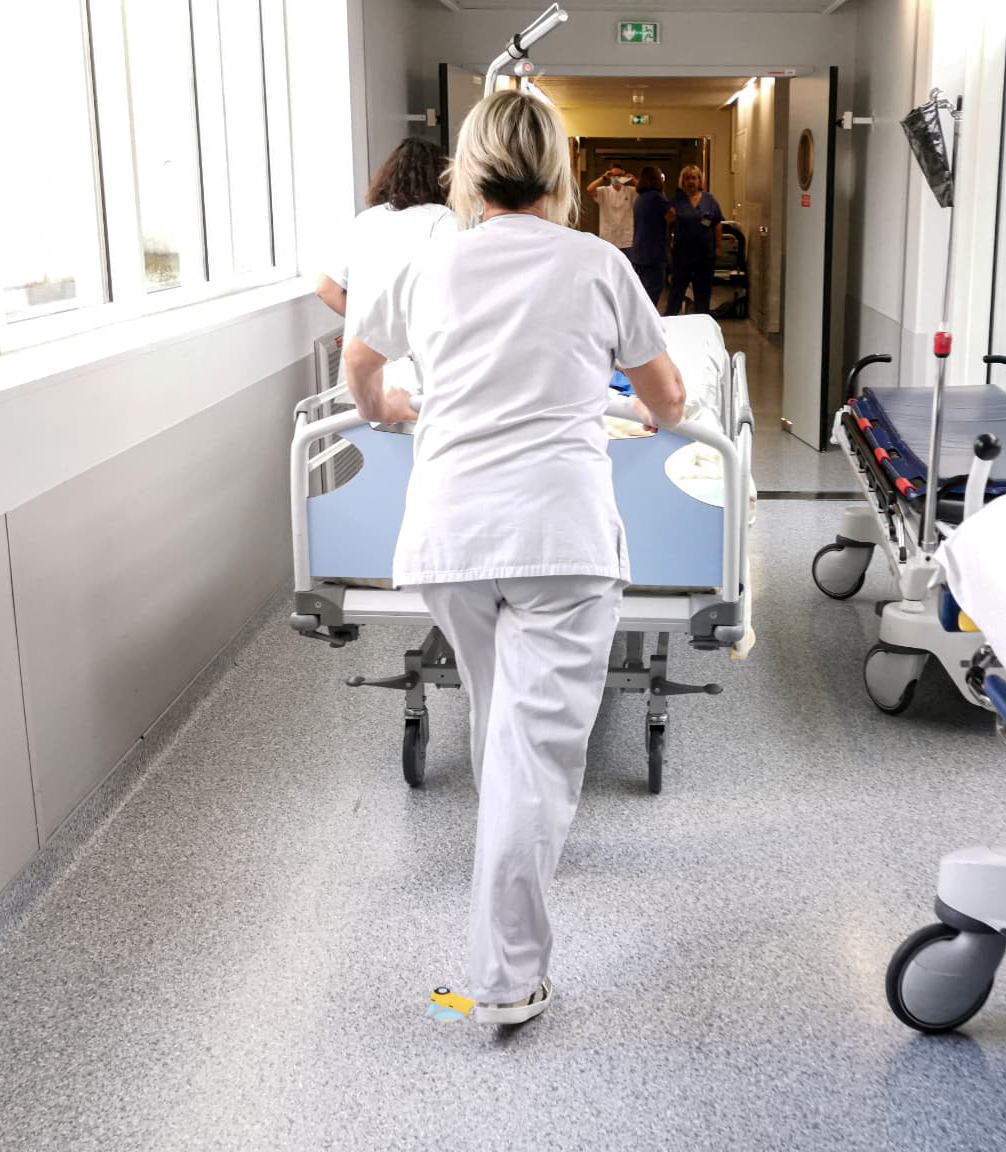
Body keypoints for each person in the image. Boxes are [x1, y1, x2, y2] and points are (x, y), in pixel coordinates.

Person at [343, 90, 686, 1027]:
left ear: (469, 170)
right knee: (531, 758)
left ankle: (503, 955)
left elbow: (360, 366)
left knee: (504, 734)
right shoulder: (597, 263)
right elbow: (669, 398)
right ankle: (505, 980)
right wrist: (647, 410)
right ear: (560, 174)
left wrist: (389, 409)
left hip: (449, 542)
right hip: (558, 543)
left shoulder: (428, 263)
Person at [316, 138, 457, 396]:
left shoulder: (364, 221)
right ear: (442, 179)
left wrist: (372, 326)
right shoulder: (442, 220)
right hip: (413, 382)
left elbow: (326, 289)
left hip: (360, 379)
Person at [665, 164, 723, 317]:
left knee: (703, 296)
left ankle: (702, 325)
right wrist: (668, 250)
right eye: (687, 178)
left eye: (694, 178)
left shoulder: (709, 200)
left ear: (699, 181)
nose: (691, 181)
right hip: (682, 256)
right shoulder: (676, 200)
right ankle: (668, 325)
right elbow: (668, 225)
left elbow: (717, 224)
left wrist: (718, 247)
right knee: (675, 295)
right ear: (682, 182)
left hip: (705, 256)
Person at [625, 166, 673, 310]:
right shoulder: (656, 197)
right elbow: (671, 216)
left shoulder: (640, 199)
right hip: (654, 252)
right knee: (654, 290)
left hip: (640, 252)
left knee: (644, 290)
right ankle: (647, 318)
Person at [584, 163, 636, 251]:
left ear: (623, 176)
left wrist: (633, 179)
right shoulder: (604, 190)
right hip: (608, 237)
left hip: (626, 238)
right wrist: (604, 177)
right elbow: (590, 189)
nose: (616, 178)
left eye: (619, 175)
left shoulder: (630, 190)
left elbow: (644, 190)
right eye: (613, 175)